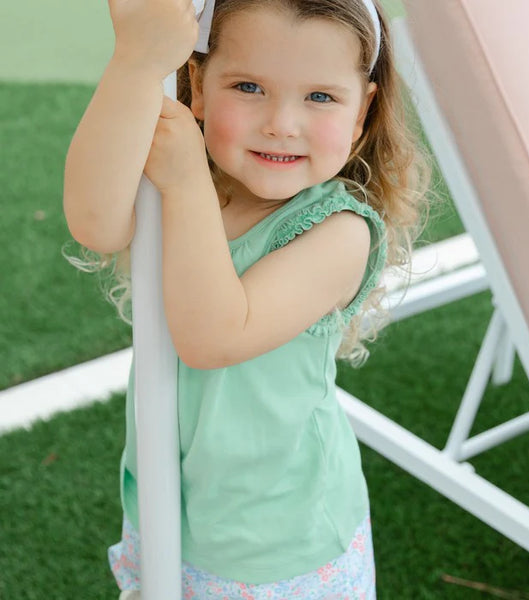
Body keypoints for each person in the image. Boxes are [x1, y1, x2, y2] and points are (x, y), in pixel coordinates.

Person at [63, 0, 434, 597]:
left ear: (362, 110)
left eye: (320, 97)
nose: (282, 123)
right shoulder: (189, 188)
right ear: (199, 89)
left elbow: (216, 336)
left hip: (277, 541)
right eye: (248, 86)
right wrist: (135, 63)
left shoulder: (339, 231)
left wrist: (183, 180)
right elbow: (94, 220)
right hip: (166, 504)